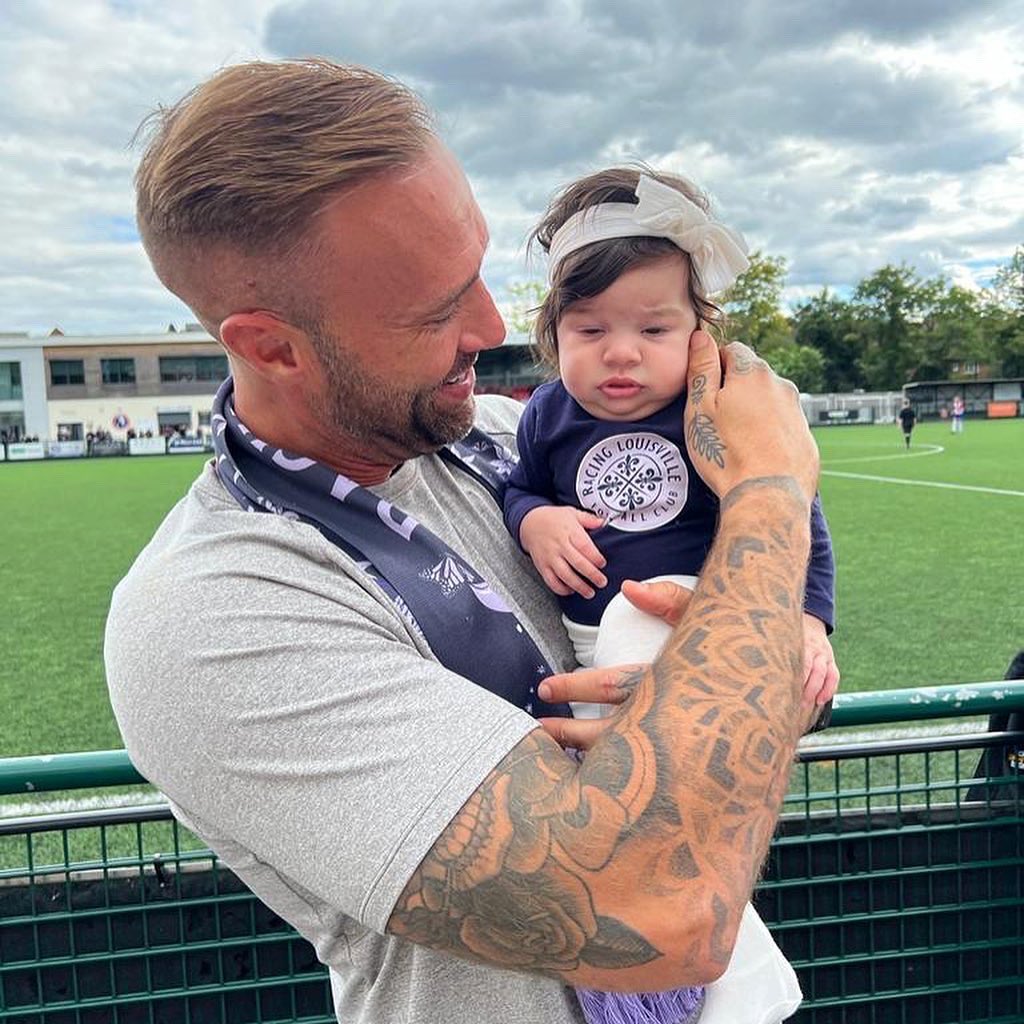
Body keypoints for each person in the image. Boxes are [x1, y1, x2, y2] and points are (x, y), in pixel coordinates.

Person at [105, 59, 823, 1024]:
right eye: (437, 308)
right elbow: (653, 911)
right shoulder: (212, 614)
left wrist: (755, 659)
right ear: (272, 346)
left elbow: (763, 676)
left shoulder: (504, 437)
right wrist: (771, 496)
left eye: (478, 270)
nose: (492, 325)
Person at [504, 168, 838, 714]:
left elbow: (792, 505)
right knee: (587, 729)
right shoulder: (546, 413)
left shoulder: (716, 407)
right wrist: (535, 520)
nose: (621, 353)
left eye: (654, 330)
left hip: (690, 615)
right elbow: (521, 488)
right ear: (554, 332)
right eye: (590, 330)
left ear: (697, 331)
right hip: (583, 637)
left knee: (640, 684)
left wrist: (806, 620)